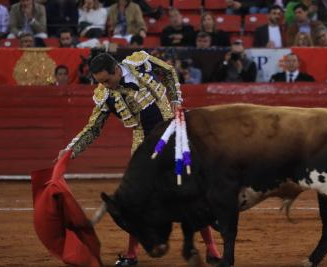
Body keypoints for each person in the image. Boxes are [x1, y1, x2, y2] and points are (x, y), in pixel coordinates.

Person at [57, 51, 221, 267]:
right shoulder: (105, 95)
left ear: (116, 69)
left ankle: (212, 249)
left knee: (190, 190)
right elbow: (93, 128)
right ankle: (132, 254)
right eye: (100, 82)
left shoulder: (140, 61)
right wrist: (70, 150)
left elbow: (169, 72)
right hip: (143, 143)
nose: (105, 86)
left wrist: (174, 98)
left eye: (107, 80)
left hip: (173, 131)